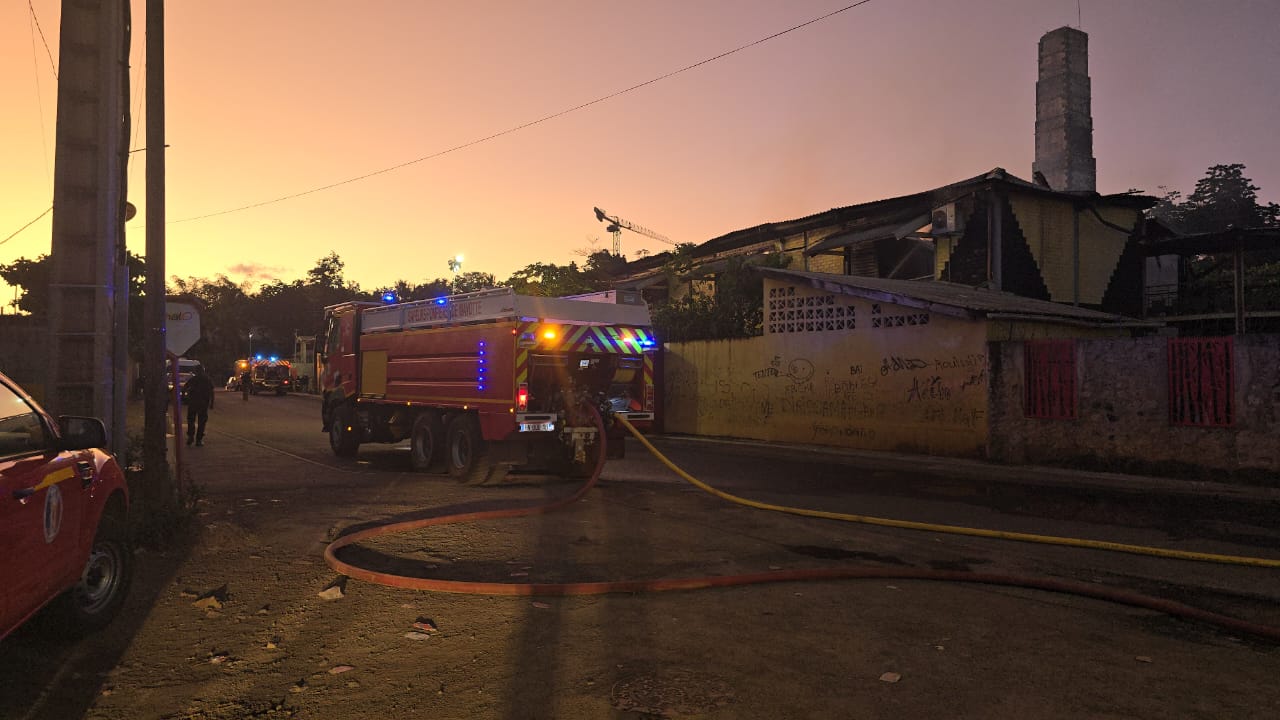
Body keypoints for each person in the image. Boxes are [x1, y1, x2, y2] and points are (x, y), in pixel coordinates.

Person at [181, 364, 215, 446]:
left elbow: (184, 388)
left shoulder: (193, 379)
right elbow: (212, 392)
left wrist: (184, 398)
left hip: (193, 402)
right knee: (201, 422)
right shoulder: (207, 379)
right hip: (203, 403)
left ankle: (190, 436)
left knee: (191, 420)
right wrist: (211, 403)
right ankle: (198, 440)